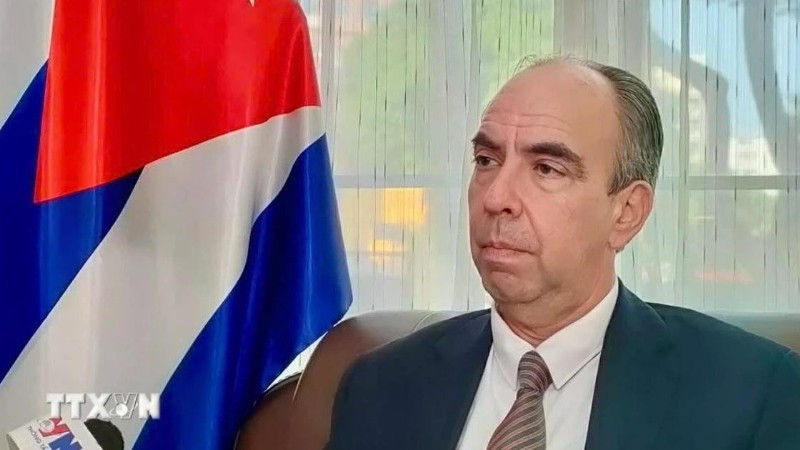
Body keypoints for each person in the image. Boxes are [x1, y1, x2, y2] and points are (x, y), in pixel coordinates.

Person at [326, 57, 800, 450]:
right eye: (487, 161)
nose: (496, 197)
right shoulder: (379, 386)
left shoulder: (753, 393)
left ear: (626, 213)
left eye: (547, 169)